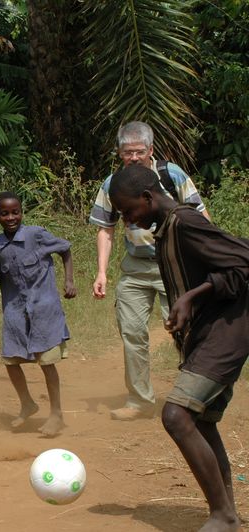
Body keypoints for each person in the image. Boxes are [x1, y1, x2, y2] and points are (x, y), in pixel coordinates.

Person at [110, 164, 248, 532]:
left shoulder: (185, 222)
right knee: (200, 421)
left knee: (176, 415)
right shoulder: (166, 230)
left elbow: (244, 261)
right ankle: (226, 515)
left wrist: (192, 295)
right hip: (206, 336)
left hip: (228, 334)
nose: (126, 220)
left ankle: (223, 514)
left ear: (147, 197)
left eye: (128, 211)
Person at [89, 121, 208, 421]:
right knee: (131, 330)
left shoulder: (172, 175)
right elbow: (105, 229)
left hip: (175, 265)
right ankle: (140, 400)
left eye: (139, 152)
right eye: (127, 152)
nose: (133, 158)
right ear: (119, 153)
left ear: (151, 150)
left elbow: (201, 216)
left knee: (188, 331)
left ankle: (194, 397)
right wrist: (101, 272)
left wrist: (203, 260)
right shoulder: (112, 184)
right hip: (135, 269)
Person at [0, 192, 76, 437]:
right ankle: (27, 403)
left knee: (47, 362)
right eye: (5, 213)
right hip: (15, 310)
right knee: (11, 360)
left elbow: (65, 249)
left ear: (21, 213)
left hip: (44, 308)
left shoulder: (36, 234)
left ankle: (56, 414)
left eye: (15, 212)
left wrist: (69, 281)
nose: (11, 217)